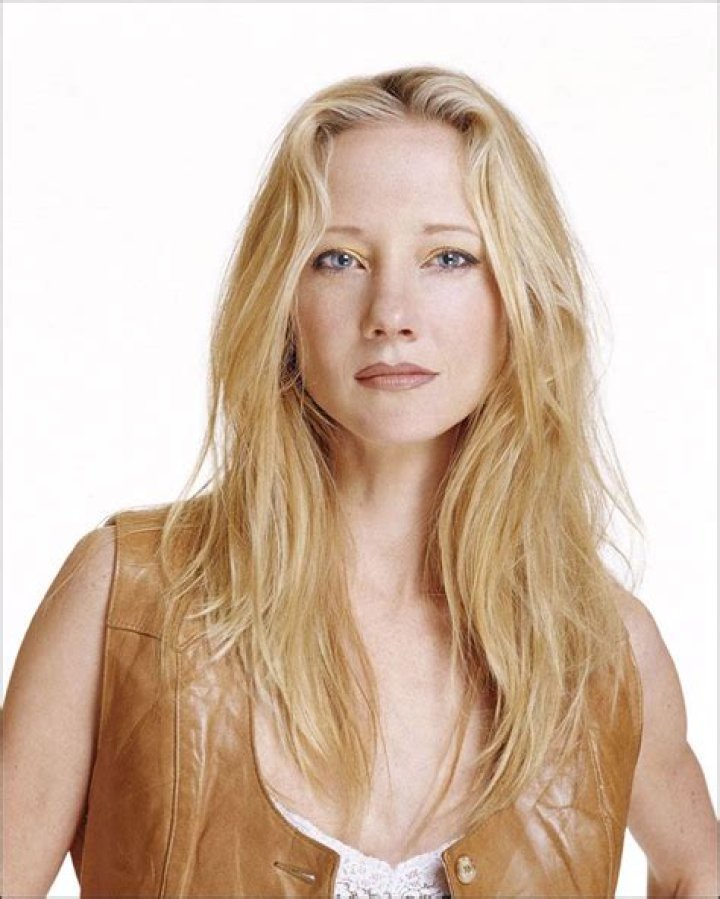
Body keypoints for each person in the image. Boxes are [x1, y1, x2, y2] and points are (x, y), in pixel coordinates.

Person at [3, 65, 717, 898]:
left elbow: (697, 867)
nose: (391, 313)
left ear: (518, 298)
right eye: (338, 258)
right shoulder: (127, 599)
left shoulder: (599, 647)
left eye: (449, 256)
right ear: (283, 302)